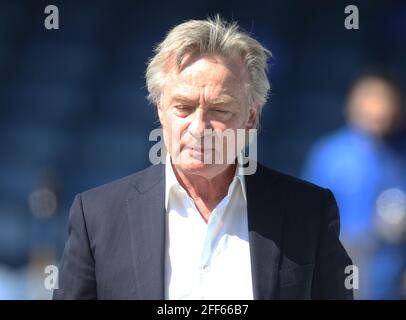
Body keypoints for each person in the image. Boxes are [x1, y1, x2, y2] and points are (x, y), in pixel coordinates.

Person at [54, 16, 353, 300]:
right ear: (160, 108)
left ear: (251, 117)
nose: (199, 128)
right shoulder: (97, 217)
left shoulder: (309, 213)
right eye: (183, 107)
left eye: (220, 110)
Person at [302, 74, 406, 299]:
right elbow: (307, 220)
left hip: (388, 275)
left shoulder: (397, 157)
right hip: (341, 270)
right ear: (353, 104)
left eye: (385, 100)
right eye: (372, 99)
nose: (380, 108)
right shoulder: (329, 154)